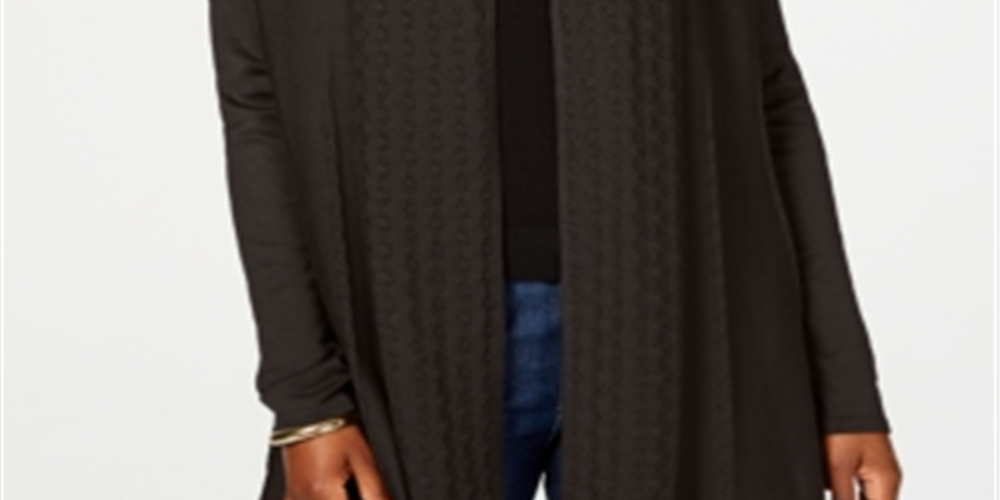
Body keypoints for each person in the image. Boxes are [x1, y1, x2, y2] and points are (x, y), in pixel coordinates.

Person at [207, 0, 903, 498]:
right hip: (401, 345)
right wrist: (309, 405)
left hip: (687, 328)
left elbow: (770, 97)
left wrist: (845, 392)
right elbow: (259, 107)